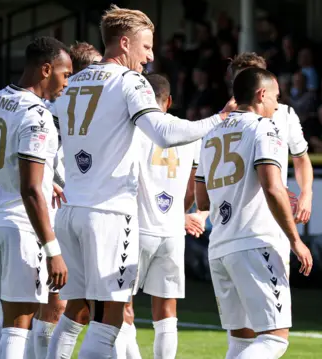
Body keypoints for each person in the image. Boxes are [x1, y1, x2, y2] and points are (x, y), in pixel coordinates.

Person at [46, 5, 231, 359]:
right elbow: (163, 131)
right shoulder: (129, 81)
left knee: (76, 312)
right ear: (126, 43)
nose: (149, 57)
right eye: (146, 48)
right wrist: (218, 119)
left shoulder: (75, 81)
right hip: (109, 214)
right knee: (109, 320)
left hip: (71, 211)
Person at [195, 67, 313, 359]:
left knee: (240, 343)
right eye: (275, 97)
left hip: (220, 245)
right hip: (256, 242)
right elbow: (273, 187)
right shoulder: (265, 127)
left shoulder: (211, 132)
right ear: (261, 95)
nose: (276, 104)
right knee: (274, 340)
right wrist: (296, 240)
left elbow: (202, 199)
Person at [0, 36, 71, 359]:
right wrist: (53, 248)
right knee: (20, 323)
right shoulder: (38, 116)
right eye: (65, 74)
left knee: (8, 319)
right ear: (46, 69)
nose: (66, 83)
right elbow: (30, 188)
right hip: (18, 228)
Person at [30, 40, 102, 359]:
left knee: (64, 307)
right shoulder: (53, 110)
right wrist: (56, 184)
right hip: (52, 213)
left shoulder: (77, 108)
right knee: (55, 306)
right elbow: (45, 158)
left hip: (64, 212)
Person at [134, 73, 209, 359]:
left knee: (121, 306)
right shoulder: (188, 130)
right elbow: (194, 185)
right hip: (172, 232)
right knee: (167, 313)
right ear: (170, 101)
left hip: (138, 228)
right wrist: (180, 214)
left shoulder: (135, 128)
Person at [228, 52, 313, 224]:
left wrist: (306, 193)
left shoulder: (285, 114)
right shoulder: (222, 120)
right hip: (236, 210)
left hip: (274, 210)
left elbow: (301, 158)